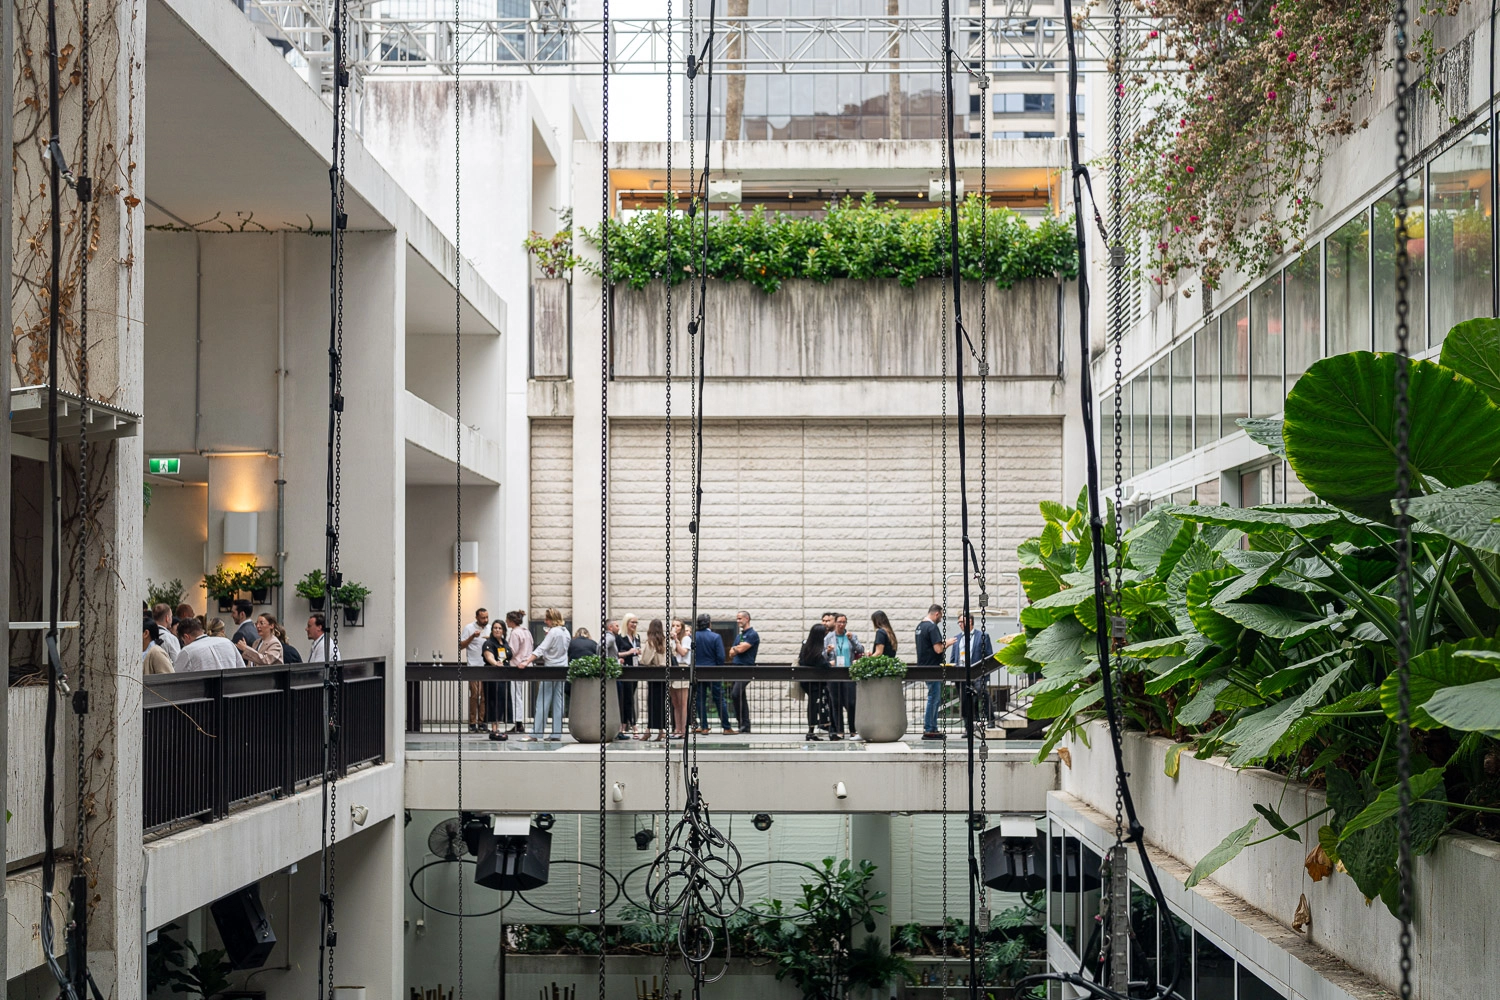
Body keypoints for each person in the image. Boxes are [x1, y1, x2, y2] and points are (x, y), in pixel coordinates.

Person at [525, 608, 570, 741]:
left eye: (547, 619)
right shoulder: (566, 632)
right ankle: (556, 733)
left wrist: (526, 661)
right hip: (562, 669)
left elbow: (541, 649)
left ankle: (536, 733)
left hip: (550, 669)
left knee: (543, 701)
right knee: (558, 702)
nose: (545, 621)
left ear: (552, 619)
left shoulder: (553, 632)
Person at [949, 614, 996, 734]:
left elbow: (989, 655)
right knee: (965, 701)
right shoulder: (957, 638)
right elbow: (954, 657)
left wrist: (985, 673)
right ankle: (968, 727)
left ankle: (990, 719)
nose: (960, 624)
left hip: (978, 673)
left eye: (961, 622)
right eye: (959, 622)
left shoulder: (982, 636)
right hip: (961, 674)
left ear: (970, 621)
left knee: (982, 693)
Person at [918, 604, 959, 739]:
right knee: (934, 698)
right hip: (933, 668)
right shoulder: (932, 627)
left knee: (933, 697)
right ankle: (930, 729)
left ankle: (932, 728)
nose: (941, 619)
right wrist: (948, 642)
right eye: (941, 616)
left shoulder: (920, 627)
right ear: (936, 614)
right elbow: (938, 649)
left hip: (924, 667)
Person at [823, 613, 864, 739]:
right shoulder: (828, 637)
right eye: (839, 622)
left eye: (844, 622)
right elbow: (822, 655)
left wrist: (852, 639)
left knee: (851, 702)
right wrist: (828, 652)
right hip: (834, 673)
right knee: (836, 703)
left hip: (848, 673)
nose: (841, 624)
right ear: (835, 623)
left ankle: (853, 730)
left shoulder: (851, 636)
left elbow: (860, 649)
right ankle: (839, 730)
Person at [693, 615, 731, 734]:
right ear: (709, 624)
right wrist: (718, 667)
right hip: (713, 671)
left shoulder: (693, 637)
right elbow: (721, 656)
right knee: (719, 699)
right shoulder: (715, 637)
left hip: (698, 671)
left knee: (700, 699)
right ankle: (726, 727)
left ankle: (704, 726)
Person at [798, 623, 831, 741]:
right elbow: (824, 664)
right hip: (816, 683)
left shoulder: (806, 645)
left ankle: (811, 731)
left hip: (806, 681)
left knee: (812, 705)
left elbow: (802, 661)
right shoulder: (817, 649)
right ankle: (818, 730)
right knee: (817, 705)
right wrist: (829, 663)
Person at [175, 616, 244, 672]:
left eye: (183, 641)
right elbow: (242, 669)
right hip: (231, 684)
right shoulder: (227, 642)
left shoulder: (187, 651)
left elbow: (177, 678)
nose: (184, 644)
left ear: (186, 636)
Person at [728, 610, 759, 734]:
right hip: (736, 668)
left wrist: (737, 648)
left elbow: (741, 649)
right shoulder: (739, 636)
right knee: (740, 695)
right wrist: (737, 648)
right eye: (737, 618)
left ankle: (744, 723)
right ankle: (744, 725)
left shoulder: (752, 634)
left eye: (740, 618)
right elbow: (731, 653)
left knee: (736, 694)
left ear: (747, 619)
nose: (738, 621)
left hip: (746, 669)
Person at [461, 608, 492, 733]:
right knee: (474, 695)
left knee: (484, 696)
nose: (485, 620)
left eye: (487, 617)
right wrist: (472, 636)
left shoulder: (490, 628)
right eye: (483, 618)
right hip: (473, 666)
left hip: (486, 666)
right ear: (477, 618)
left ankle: (482, 722)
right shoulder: (469, 628)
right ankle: (472, 723)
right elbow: (461, 645)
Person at [481, 620, 513, 740]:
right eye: (495, 628)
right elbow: (488, 656)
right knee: (493, 701)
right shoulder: (489, 643)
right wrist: (496, 663)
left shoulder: (504, 643)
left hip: (504, 676)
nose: (497, 630)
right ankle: (494, 730)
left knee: (501, 701)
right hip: (493, 676)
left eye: (500, 628)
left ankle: (497, 727)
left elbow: (508, 656)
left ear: (503, 630)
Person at [612, 616, 642, 737]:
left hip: (635, 670)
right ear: (626, 622)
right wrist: (629, 652)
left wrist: (637, 652)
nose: (634, 624)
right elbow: (616, 653)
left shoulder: (637, 637)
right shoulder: (620, 637)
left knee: (629, 697)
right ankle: (632, 725)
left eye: (636, 622)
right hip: (625, 670)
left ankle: (624, 724)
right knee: (627, 698)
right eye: (632, 622)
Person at [641, 618, 670, 742]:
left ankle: (649, 731)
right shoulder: (665, 641)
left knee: (652, 703)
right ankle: (661, 731)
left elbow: (645, 660)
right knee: (661, 704)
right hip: (664, 676)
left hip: (653, 675)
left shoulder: (650, 642)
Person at [505, 610, 532, 732]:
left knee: (516, 695)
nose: (506, 622)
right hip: (527, 664)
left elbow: (512, 651)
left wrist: (503, 654)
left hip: (517, 665)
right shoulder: (526, 631)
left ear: (511, 621)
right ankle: (518, 722)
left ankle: (518, 723)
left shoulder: (515, 633)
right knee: (519, 694)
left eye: (507, 620)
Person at [669, 618, 693, 739]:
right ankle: (677, 728)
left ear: (682, 628)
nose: (675, 628)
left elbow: (683, 653)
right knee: (675, 703)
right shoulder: (671, 639)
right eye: (673, 625)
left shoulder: (685, 639)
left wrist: (676, 641)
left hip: (682, 668)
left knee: (683, 702)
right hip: (673, 668)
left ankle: (683, 730)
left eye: (678, 626)